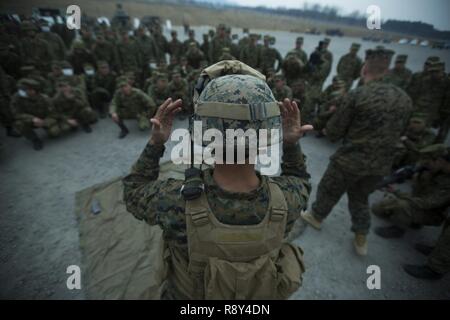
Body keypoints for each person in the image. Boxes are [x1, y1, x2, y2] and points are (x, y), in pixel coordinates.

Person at [123, 60, 313, 300]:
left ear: (204, 135)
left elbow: (133, 190)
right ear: (266, 141)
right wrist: (291, 144)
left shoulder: (173, 201)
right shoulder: (288, 198)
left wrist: (156, 143)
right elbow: (300, 180)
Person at [301, 48, 413, 256]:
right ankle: (361, 236)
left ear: (364, 68)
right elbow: (402, 132)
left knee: (329, 189)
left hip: (350, 160)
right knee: (360, 197)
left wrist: (332, 119)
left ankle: (316, 216)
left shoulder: (358, 95)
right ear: (387, 70)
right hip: (380, 164)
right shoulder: (404, 98)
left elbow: (333, 133)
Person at [373, 144, 450, 240]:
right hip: (418, 202)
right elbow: (417, 193)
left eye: (429, 162)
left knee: (402, 205)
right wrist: (416, 178)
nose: (426, 164)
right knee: (377, 209)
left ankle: (398, 230)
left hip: (432, 213)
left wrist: (397, 193)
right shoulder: (429, 172)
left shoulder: (446, 181)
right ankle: (412, 221)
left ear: (441, 162)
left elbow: (426, 203)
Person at [10, 78, 65, 150]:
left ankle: (50, 129)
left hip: (45, 120)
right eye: (21, 90)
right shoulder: (16, 98)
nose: (21, 92)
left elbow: (54, 114)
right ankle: (35, 139)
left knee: (55, 132)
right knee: (18, 123)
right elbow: (16, 114)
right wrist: (32, 118)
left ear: (32, 90)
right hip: (30, 121)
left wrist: (44, 123)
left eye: (24, 90)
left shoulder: (44, 98)